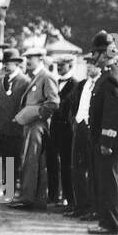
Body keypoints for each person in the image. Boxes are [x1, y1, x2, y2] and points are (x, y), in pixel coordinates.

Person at [88, 32, 118, 235]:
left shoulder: (112, 78)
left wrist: (107, 140)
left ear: (104, 53)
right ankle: (106, 221)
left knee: (109, 183)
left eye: (96, 53)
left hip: (110, 141)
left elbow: (112, 115)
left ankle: (112, 223)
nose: (93, 57)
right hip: (105, 139)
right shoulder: (107, 75)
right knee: (104, 181)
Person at [8, 47, 58, 210]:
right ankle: (32, 197)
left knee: (32, 160)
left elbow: (53, 103)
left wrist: (34, 114)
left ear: (41, 58)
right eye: (26, 57)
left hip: (38, 125)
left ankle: (28, 198)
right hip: (31, 125)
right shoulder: (35, 77)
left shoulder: (46, 76)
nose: (27, 60)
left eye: (31, 57)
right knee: (31, 160)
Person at [0, 48, 29, 199]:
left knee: (10, 159)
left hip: (13, 128)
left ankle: (9, 191)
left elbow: (25, 105)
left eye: (10, 63)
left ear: (17, 63)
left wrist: (18, 120)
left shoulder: (25, 82)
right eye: (4, 62)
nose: (6, 66)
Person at [64, 54, 100, 221]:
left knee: (92, 170)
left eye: (93, 64)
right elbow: (73, 104)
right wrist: (74, 122)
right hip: (79, 127)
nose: (89, 67)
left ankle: (93, 207)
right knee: (77, 168)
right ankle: (80, 205)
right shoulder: (83, 84)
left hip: (92, 129)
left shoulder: (100, 84)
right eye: (88, 64)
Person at [48, 54, 80, 208]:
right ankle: (53, 196)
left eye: (62, 64)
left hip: (67, 130)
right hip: (54, 127)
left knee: (67, 164)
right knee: (53, 162)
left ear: (70, 65)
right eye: (57, 64)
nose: (59, 67)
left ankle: (70, 198)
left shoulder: (76, 84)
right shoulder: (54, 81)